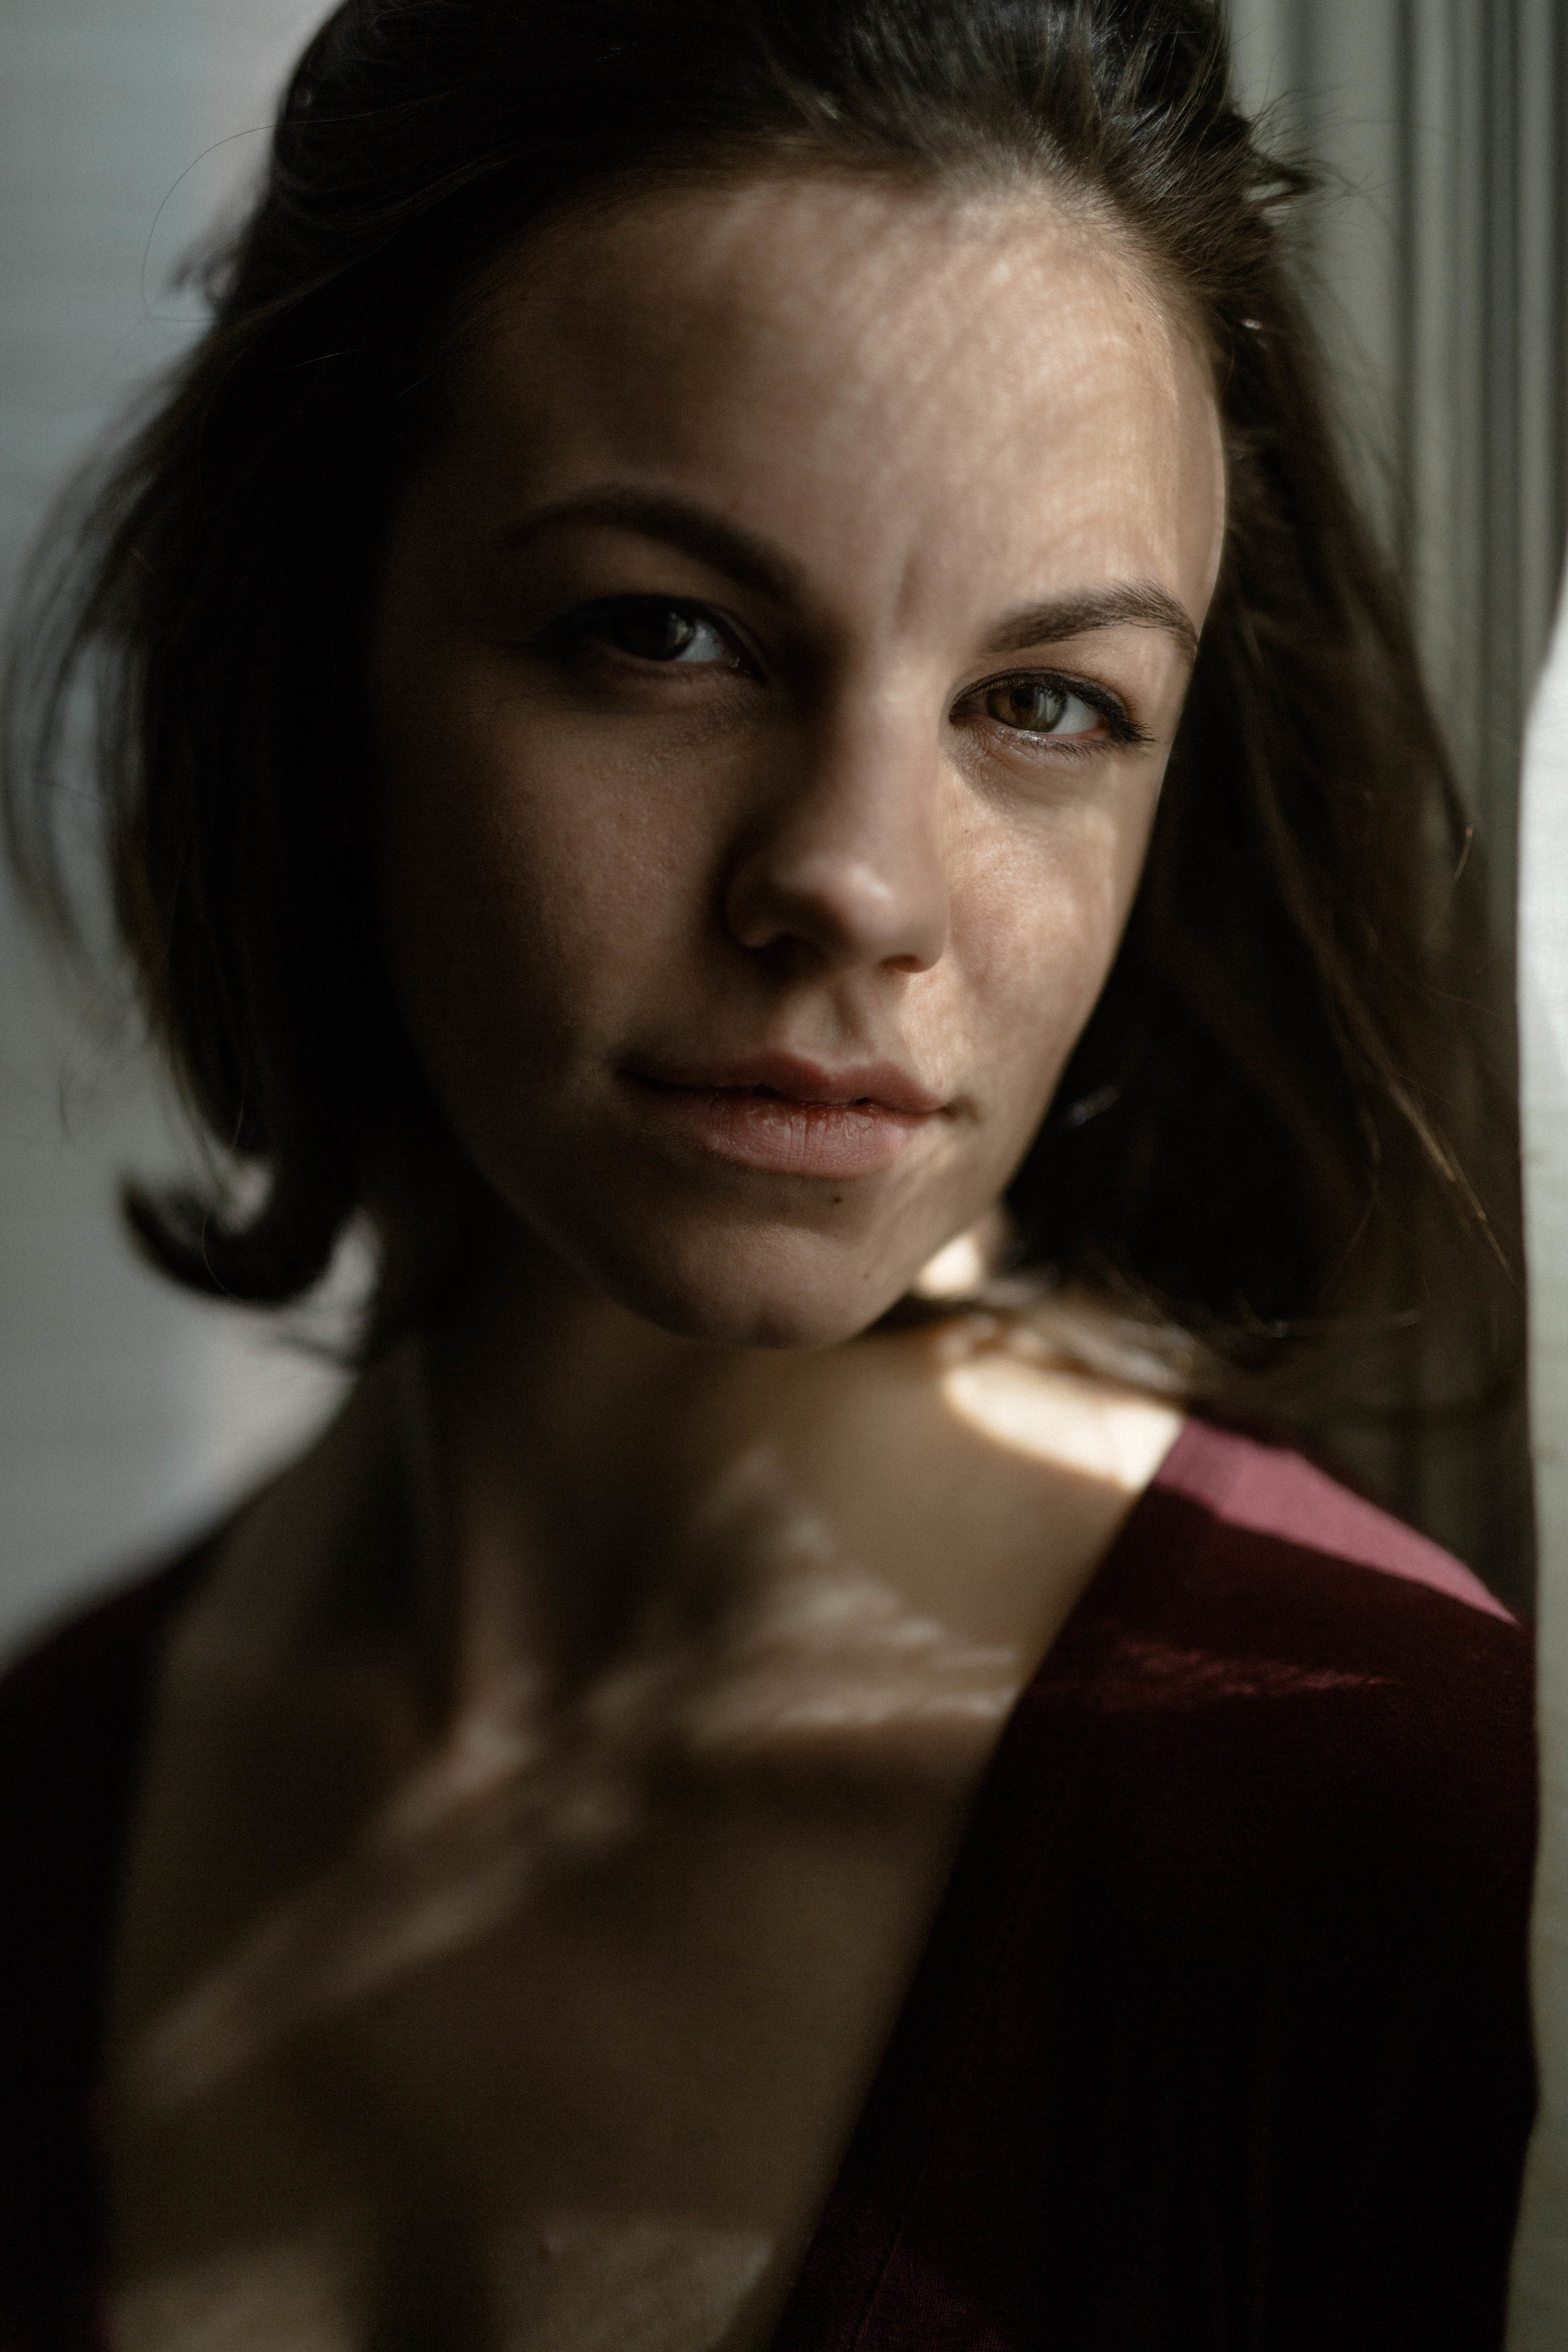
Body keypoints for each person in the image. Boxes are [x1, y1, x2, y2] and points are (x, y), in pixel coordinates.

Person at [0, 1, 1536, 2345]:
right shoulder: (45, 1782)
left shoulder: (1381, 1820)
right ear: (311, 649)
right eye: (667, 633)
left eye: (1045, 704)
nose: (855, 885)